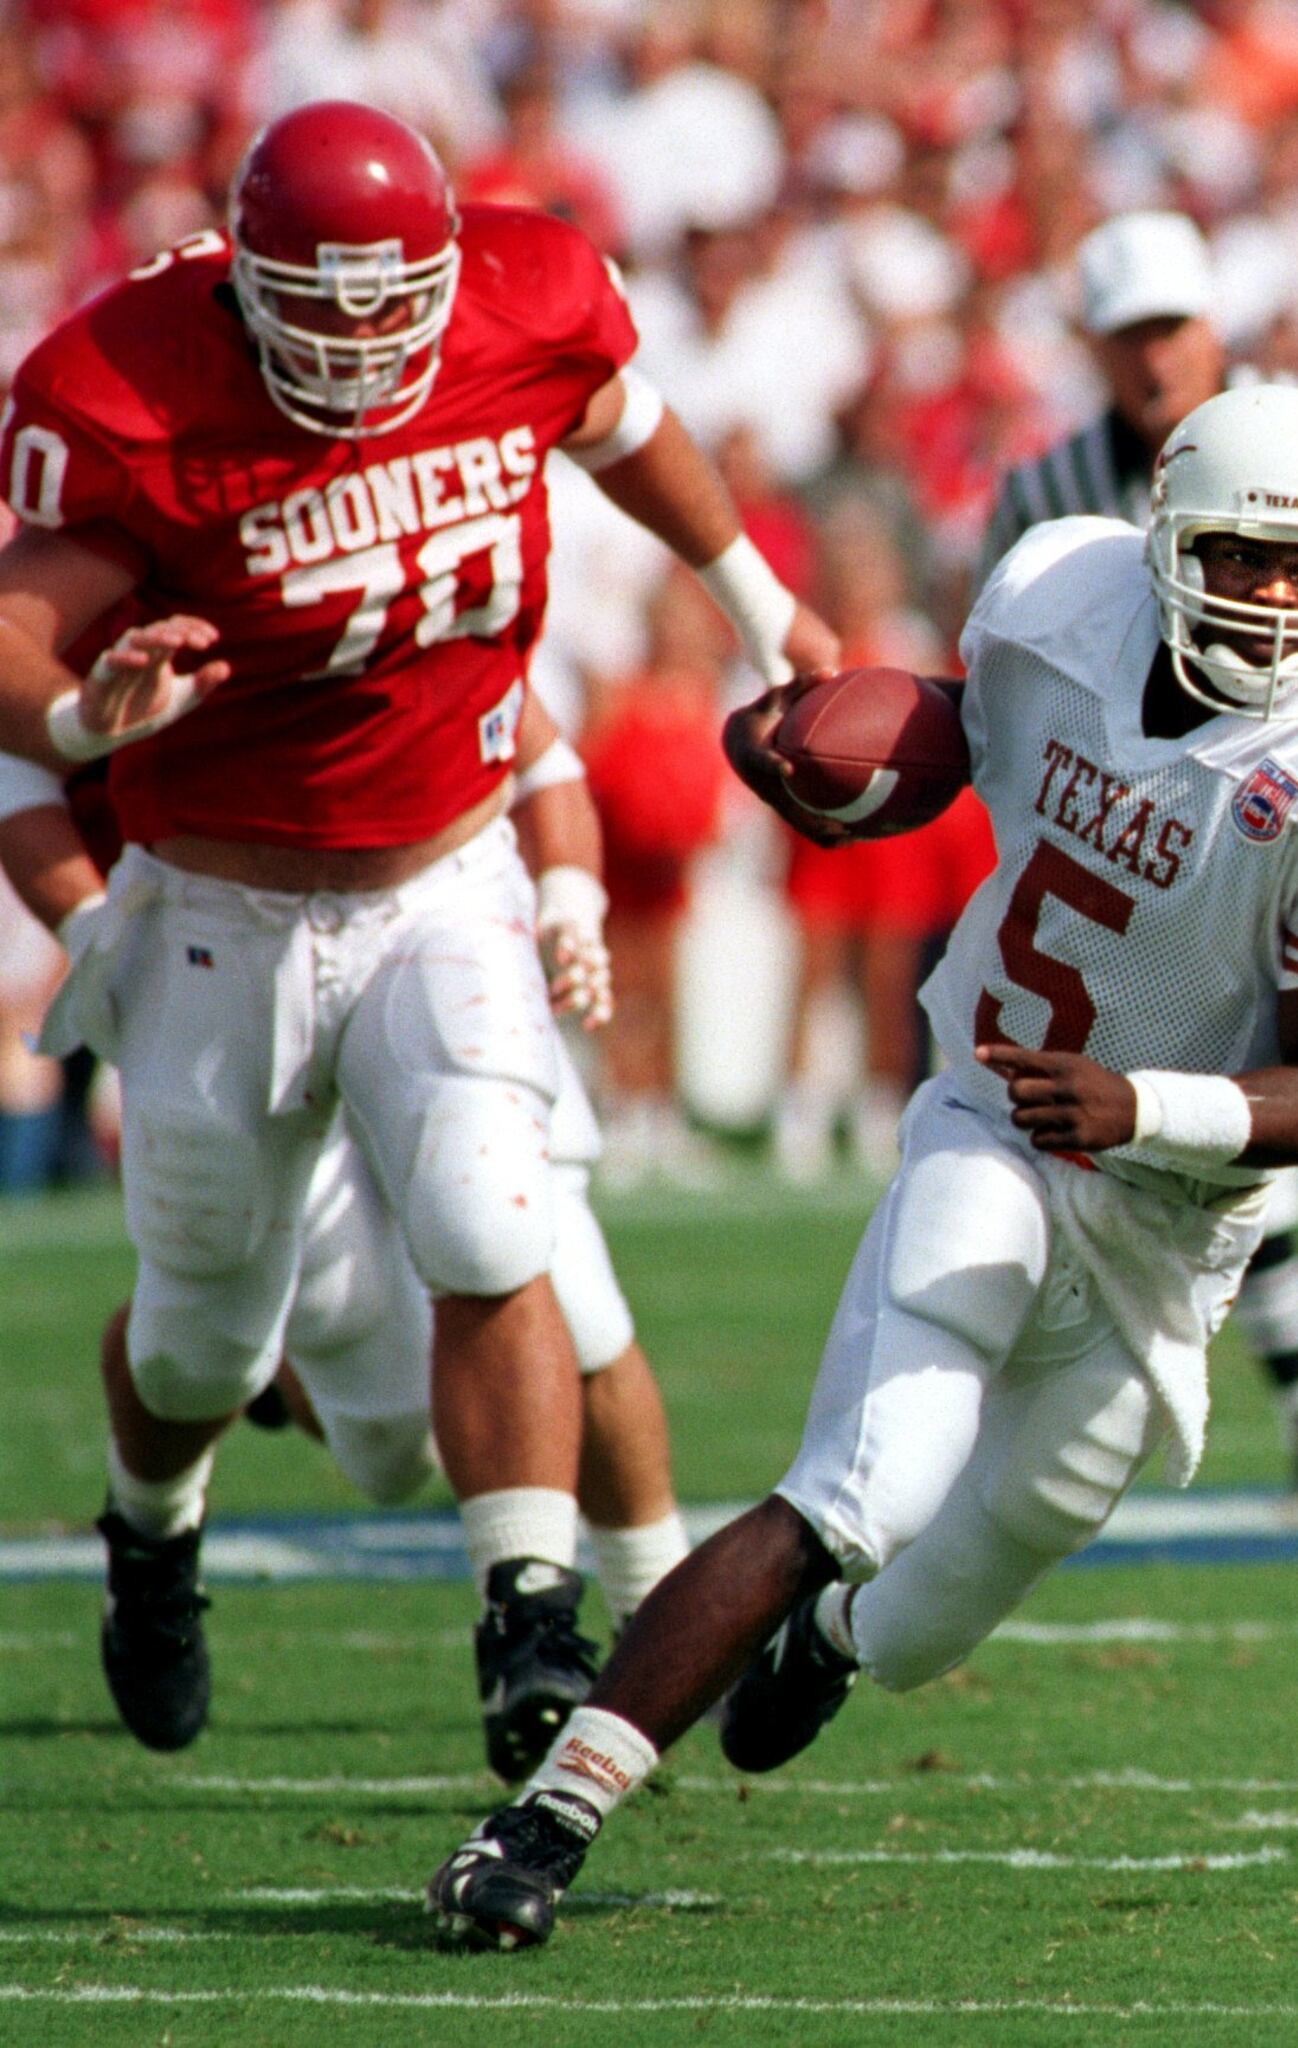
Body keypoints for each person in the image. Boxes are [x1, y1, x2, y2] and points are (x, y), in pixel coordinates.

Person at [425, 383, 1298, 1951]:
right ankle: (543, 1819)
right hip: (992, 1111)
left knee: (940, 1604)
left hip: (1168, 1214)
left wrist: (1144, 1108)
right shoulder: (1059, 595)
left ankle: (838, 1643)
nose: (1281, 599)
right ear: (1164, 541)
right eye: (1247, 561)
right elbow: (943, 743)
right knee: (865, 1485)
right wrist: (827, 773)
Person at [0, 101, 836, 1771]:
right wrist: (92, 715)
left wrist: (765, 607)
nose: (370, 347)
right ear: (247, 286)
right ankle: (153, 1530)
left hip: (447, 872)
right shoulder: (132, 386)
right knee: (203, 1333)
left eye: (403, 309)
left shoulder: (523, 295)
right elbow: (14, 640)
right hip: (223, 908)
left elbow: (626, 417)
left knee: (488, 1212)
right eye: (327, 312)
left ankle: (531, 1620)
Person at [0, 711, 694, 1763]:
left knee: (555, 1278)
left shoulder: (416, 553)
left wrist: (569, 897)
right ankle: (153, 1525)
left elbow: (534, 745)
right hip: (236, 969)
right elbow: (22, 758)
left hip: (440, 936)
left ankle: (648, 1620)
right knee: (317, 1407)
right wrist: (98, 929)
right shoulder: (145, 572)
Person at [975, 209, 1298, 1497]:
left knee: (1251, 1099)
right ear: (1092, 344)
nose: (1152, 357)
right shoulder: (1046, 494)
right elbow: (1003, 677)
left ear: (1211, 325)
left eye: (1170, 327)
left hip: (1281, 825)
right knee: (1202, 1115)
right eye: (1126, 335)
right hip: (1123, 845)